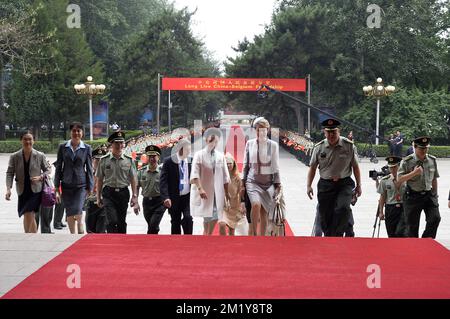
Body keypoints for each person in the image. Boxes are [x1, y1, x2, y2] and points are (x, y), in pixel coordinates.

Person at [307, 118, 362, 237]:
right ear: (325, 133)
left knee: (342, 208)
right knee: (325, 214)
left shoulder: (348, 146)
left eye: (334, 132)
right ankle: (329, 236)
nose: (331, 135)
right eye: (329, 132)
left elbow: (356, 167)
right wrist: (308, 186)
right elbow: (312, 168)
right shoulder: (319, 147)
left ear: (339, 132)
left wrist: (359, 186)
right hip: (325, 184)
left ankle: (338, 235)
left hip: (344, 183)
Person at [242, 117, 281, 236]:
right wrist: (242, 183)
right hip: (252, 181)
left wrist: (278, 184)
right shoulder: (250, 144)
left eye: (264, 129)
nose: (261, 132)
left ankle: (262, 237)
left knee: (264, 213)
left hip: (268, 183)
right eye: (259, 129)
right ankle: (254, 234)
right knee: (255, 204)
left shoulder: (273, 145)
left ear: (268, 130)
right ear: (255, 130)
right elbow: (245, 164)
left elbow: (276, 165)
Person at [5, 131, 51, 233]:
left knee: (29, 212)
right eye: (25, 139)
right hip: (22, 190)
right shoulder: (14, 156)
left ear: (33, 141)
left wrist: (40, 177)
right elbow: (9, 173)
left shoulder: (40, 155)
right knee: (28, 214)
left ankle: (28, 237)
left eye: (30, 139)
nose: (27, 141)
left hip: (35, 190)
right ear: (21, 140)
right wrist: (8, 189)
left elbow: (48, 170)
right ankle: (31, 237)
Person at [96, 131, 140, 233]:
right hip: (108, 193)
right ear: (112, 144)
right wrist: (98, 197)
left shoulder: (129, 160)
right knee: (111, 220)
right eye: (116, 143)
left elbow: (133, 179)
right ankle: (111, 241)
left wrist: (134, 196)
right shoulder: (104, 160)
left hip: (123, 193)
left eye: (121, 143)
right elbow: (100, 179)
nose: (119, 145)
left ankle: (122, 243)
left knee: (121, 221)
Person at [54, 122, 93, 234]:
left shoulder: (86, 148)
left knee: (78, 210)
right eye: (74, 131)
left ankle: (80, 232)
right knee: (70, 212)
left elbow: (89, 168)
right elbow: (58, 168)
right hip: (66, 184)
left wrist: (90, 187)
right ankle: (72, 236)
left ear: (82, 133)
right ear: (70, 132)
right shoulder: (63, 147)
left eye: (78, 131)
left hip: (81, 185)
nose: (76, 133)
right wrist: (57, 187)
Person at [397, 136, 440, 238]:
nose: (424, 150)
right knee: (412, 226)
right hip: (413, 196)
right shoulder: (407, 161)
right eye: (421, 148)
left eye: (426, 148)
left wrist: (435, 195)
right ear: (415, 147)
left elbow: (434, 179)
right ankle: (414, 249)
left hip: (429, 195)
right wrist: (413, 173)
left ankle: (426, 241)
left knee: (435, 218)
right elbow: (399, 179)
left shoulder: (432, 160)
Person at [190, 128, 230, 235]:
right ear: (206, 140)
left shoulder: (220, 156)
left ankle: (208, 235)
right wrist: (200, 188)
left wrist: (227, 194)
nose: (214, 144)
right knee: (207, 218)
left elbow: (226, 177)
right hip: (205, 191)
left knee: (216, 214)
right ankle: (207, 236)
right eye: (211, 141)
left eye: (216, 141)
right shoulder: (199, 155)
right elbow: (195, 173)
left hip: (218, 192)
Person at [160, 138, 193, 235]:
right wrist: (166, 197)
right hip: (174, 197)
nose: (188, 151)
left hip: (187, 197)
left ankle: (188, 239)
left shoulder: (192, 161)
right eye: (187, 149)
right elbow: (163, 181)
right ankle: (175, 242)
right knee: (175, 221)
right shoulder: (169, 161)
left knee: (188, 218)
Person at [137, 145, 166, 234]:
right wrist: (135, 201)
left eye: (154, 156)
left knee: (153, 224)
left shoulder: (163, 171)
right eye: (150, 156)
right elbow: (136, 186)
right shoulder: (141, 172)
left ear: (158, 157)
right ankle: (154, 242)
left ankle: (149, 242)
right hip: (146, 202)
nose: (152, 158)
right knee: (151, 225)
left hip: (159, 202)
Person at [377, 156, 407, 237]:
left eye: (395, 167)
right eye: (391, 167)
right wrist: (381, 212)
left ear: (399, 166)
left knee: (401, 232)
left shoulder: (406, 178)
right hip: (390, 208)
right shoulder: (385, 180)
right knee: (391, 233)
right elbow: (382, 197)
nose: (393, 169)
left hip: (403, 208)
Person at [221, 153, 246, 236]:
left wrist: (242, 205)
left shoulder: (238, 178)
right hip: (224, 206)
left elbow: (241, 192)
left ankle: (230, 246)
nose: (228, 165)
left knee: (232, 230)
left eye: (230, 163)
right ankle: (223, 242)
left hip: (234, 206)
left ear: (233, 164)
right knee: (222, 224)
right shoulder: (220, 176)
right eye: (226, 163)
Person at [85, 147, 108, 233]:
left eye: (101, 159)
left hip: (102, 204)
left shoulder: (108, 174)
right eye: (97, 159)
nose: (99, 162)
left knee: (101, 230)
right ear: (92, 160)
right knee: (90, 230)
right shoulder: (87, 174)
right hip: (90, 204)